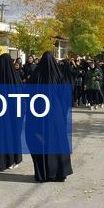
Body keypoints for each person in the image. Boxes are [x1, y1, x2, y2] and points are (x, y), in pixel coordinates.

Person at [26, 51, 73, 183]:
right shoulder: (58, 74)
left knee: (39, 140)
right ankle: (59, 173)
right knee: (56, 140)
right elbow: (65, 95)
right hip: (55, 112)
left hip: (39, 111)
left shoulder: (36, 75)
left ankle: (43, 174)